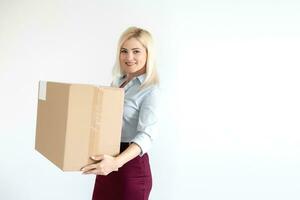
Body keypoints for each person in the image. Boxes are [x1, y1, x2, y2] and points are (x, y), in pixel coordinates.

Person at [81, 26, 160, 200]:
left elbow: (147, 135)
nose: (129, 57)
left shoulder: (150, 90)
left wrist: (116, 162)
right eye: (124, 51)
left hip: (130, 168)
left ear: (148, 54)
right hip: (108, 163)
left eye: (136, 51)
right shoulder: (118, 82)